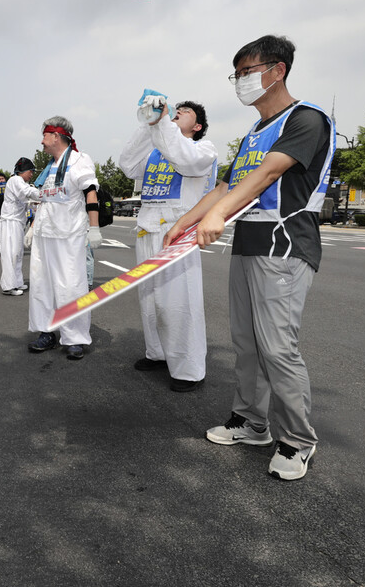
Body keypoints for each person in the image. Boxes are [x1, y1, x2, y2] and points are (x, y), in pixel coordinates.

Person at [163, 35, 335, 480]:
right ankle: (252, 423)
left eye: (247, 72)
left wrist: (217, 214)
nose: (240, 81)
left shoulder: (307, 119)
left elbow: (268, 173)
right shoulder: (255, 132)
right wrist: (187, 219)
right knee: (246, 343)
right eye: (236, 74)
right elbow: (227, 187)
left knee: (278, 348)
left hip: (285, 246)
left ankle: (298, 440)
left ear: (277, 71)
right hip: (249, 244)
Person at [119, 97, 219, 392]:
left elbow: (184, 159)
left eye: (183, 112)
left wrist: (163, 122)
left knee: (179, 300)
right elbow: (126, 164)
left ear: (197, 125)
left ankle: (189, 369)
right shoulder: (155, 150)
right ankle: (159, 352)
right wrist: (149, 124)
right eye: (174, 111)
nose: (176, 114)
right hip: (148, 227)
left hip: (178, 229)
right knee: (150, 298)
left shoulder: (203, 148)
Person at [28, 116, 101, 360]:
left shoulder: (79, 160)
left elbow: (90, 191)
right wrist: (33, 227)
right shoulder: (50, 166)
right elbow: (45, 199)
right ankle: (47, 331)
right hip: (45, 234)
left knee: (71, 286)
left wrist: (94, 227)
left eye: (45, 136)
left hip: (69, 234)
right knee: (42, 285)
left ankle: (75, 337)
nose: (42, 141)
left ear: (56, 136)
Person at [0, 157, 39, 295]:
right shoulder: (16, 180)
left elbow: (23, 199)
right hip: (10, 222)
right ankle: (8, 286)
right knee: (11, 253)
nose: (32, 174)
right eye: (31, 171)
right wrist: (43, 195)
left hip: (17, 222)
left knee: (17, 253)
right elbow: (27, 193)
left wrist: (33, 202)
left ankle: (17, 282)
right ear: (23, 170)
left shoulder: (19, 182)